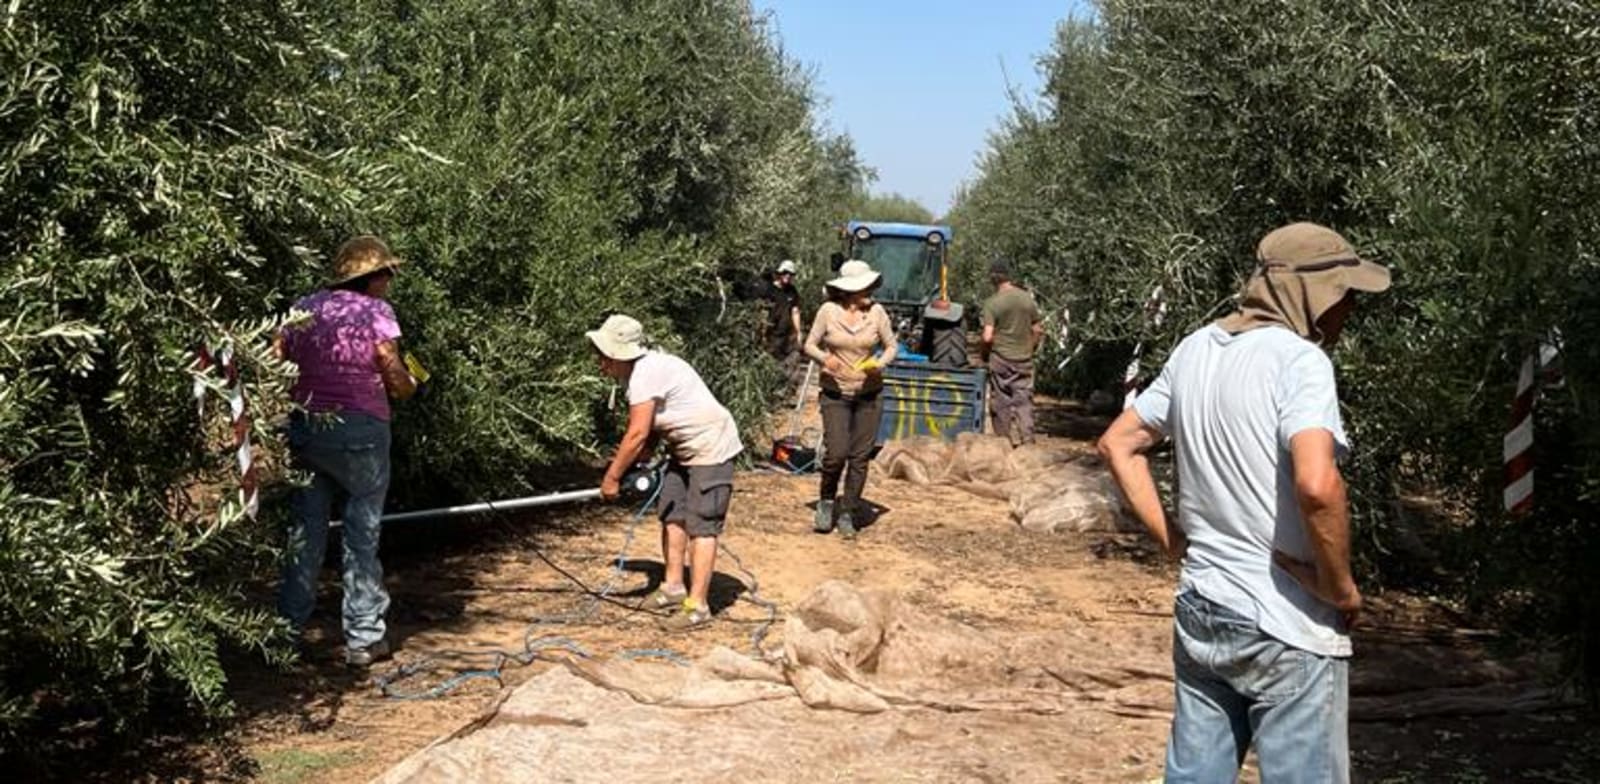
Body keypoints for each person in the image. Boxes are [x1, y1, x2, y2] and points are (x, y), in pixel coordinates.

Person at [1097, 222, 1390, 783]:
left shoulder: (1196, 350)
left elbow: (1119, 443)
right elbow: (1317, 484)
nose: (1349, 309)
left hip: (1204, 606)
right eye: (1344, 294)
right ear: (1312, 293)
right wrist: (1340, 586)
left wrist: (1174, 541)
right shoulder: (1301, 363)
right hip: (1287, 626)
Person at [277, 235, 417, 667]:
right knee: (361, 533)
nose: (389, 282)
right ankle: (362, 636)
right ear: (370, 278)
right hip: (361, 433)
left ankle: (285, 635)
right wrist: (410, 386)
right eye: (386, 274)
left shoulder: (303, 308)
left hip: (308, 429)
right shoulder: (377, 313)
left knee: (305, 533)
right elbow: (391, 370)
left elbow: (275, 358)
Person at [591, 314, 743, 632]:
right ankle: (673, 586)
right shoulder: (644, 371)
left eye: (604, 356)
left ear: (620, 354)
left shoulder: (645, 374)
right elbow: (654, 428)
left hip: (711, 446)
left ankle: (698, 607)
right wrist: (638, 461)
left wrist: (612, 478)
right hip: (683, 449)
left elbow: (636, 433)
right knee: (672, 512)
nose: (600, 363)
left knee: (702, 526)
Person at [803, 259, 897, 538]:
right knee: (837, 453)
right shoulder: (828, 311)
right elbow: (809, 344)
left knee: (859, 457)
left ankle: (848, 512)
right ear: (849, 290)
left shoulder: (877, 313)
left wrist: (880, 363)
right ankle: (827, 501)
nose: (871, 290)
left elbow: (891, 345)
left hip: (869, 393)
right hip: (835, 392)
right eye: (865, 286)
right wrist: (824, 359)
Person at [979, 259, 1043, 447]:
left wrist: (984, 355)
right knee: (1024, 401)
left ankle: (1003, 443)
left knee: (1001, 401)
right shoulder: (1026, 299)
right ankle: (1028, 441)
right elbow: (1038, 329)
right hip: (1024, 359)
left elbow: (987, 337)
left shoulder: (992, 303)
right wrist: (1030, 348)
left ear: (993, 279)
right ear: (1009, 277)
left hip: (1001, 359)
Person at [763, 259, 805, 388]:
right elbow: (763, 312)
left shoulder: (792, 291)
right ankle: (771, 389)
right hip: (772, 335)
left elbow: (795, 311)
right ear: (780, 273)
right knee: (770, 363)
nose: (788, 276)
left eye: (791, 274)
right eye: (785, 273)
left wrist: (798, 332)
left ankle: (787, 391)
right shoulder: (769, 290)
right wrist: (762, 333)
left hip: (787, 335)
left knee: (791, 363)